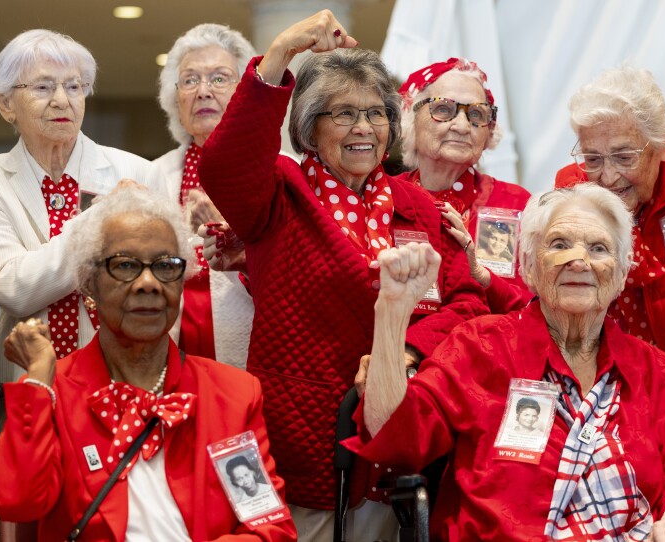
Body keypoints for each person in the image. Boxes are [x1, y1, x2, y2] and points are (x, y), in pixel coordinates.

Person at [197, 10, 488, 541]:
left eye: (375, 113)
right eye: (343, 113)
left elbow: (467, 301)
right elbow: (224, 167)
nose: (363, 128)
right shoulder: (280, 193)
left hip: (400, 432)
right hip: (301, 434)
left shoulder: (418, 207)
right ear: (310, 126)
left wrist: (407, 351)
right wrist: (281, 54)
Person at [348, 184, 665, 542]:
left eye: (598, 248)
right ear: (529, 266)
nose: (578, 260)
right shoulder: (479, 347)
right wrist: (392, 315)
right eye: (559, 245)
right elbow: (394, 437)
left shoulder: (660, 373)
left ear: (622, 273)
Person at [0, 186, 296, 541]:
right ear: (89, 284)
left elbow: (269, 527)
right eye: (125, 265)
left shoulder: (231, 395)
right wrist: (38, 379)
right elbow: (19, 504)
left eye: (165, 266)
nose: (149, 283)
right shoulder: (52, 391)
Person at [0, 29, 166, 384]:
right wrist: (101, 217)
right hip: (27, 380)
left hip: (122, 380)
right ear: (6, 105)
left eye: (74, 86)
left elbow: (163, 290)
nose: (62, 100)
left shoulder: (139, 173)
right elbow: (14, 289)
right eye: (43, 87)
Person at [550, 66, 665, 380]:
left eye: (624, 157)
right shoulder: (572, 192)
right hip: (611, 378)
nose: (607, 178)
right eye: (593, 159)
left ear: (661, 145)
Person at [154, 24, 257, 368]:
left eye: (219, 78)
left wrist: (230, 232)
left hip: (250, 349)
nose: (203, 91)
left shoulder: (283, 169)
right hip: (166, 349)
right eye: (190, 80)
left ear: (244, 92)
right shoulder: (151, 174)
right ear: (176, 98)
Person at [396, 57, 532, 313]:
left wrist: (486, 278)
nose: (461, 126)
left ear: (488, 132)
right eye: (443, 109)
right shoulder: (385, 197)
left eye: (476, 114)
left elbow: (534, 307)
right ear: (410, 118)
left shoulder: (514, 203)